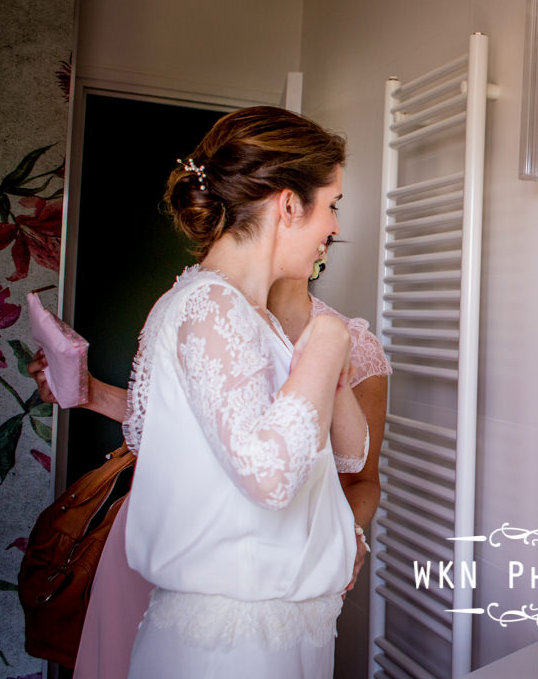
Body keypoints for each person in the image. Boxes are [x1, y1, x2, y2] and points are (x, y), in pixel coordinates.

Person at [83, 105, 364, 678]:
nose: (334, 226)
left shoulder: (250, 315)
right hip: (233, 649)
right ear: (289, 204)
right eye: (331, 204)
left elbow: (351, 451)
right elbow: (270, 477)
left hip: (283, 631)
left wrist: (310, 338)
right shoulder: (208, 307)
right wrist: (331, 339)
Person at [28, 245, 390, 679]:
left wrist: (344, 536)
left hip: (267, 571)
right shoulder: (205, 307)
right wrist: (84, 389)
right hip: (159, 539)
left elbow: (362, 478)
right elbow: (177, 425)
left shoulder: (351, 341)